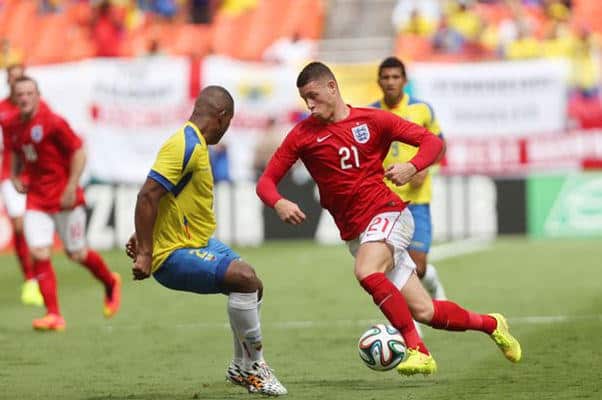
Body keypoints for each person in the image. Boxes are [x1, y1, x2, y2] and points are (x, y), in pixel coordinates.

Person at [256, 62, 521, 375]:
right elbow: (266, 182)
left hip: (388, 213)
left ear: (332, 87)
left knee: (366, 271)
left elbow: (433, 143)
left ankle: (418, 351)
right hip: (356, 232)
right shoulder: (302, 135)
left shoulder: (373, 120)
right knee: (425, 311)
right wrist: (278, 202)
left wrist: (412, 166)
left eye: (313, 96)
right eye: (304, 99)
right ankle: (492, 324)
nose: (309, 105)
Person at [126, 85, 287, 396]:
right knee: (244, 279)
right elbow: (147, 195)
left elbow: (167, 195)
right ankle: (256, 368)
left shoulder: (195, 143)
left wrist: (146, 231)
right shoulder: (184, 145)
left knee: (253, 285)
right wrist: (145, 251)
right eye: (229, 123)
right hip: (172, 254)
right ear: (222, 117)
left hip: (197, 241)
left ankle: (240, 366)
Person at [8, 76, 122, 331]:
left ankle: (110, 281)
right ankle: (53, 315)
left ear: (38, 96)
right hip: (36, 198)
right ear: (14, 98)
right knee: (38, 251)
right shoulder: (13, 125)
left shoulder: (53, 122)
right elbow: (16, 150)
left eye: (29, 93)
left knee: (76, 253)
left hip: (64, 198)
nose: (24, 98)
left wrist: (71, 186)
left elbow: (78, 152)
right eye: (20, 94)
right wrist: (15, 176)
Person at [371, 56, 447, 303]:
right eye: (386, 77)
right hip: (384, 203)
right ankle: (409, 321)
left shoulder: (421, 109)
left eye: (395, 77)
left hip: (416, 202)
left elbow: (440, 146)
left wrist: (423, 168)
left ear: (404, 80)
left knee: (418, 268)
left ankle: (431, 281)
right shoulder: (371, 114)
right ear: (379, 81)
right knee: (389, 267)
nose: (390, 82)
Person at [0, 64, 42, 306]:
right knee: (18, 226)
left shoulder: (38, 108)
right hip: (10, 174)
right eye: (12, 78)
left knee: (33, 227)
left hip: (35, 174)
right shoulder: (2, 109)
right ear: (8, 82)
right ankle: (30, 279)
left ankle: (40, 275)